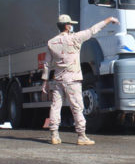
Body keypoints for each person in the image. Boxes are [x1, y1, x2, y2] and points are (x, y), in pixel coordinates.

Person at [42, 14, 118, 145]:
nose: (71, 26)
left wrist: (45, 82)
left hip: (58, 80)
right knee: (77, 107)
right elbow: (93, 30)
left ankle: (54, 135)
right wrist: (108, 20)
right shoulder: (75, 38)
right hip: (73, 79)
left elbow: (47, 64)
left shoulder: (51, 42)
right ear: (67, 26)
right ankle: (81, 136)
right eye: (70, 24)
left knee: (55, 106)